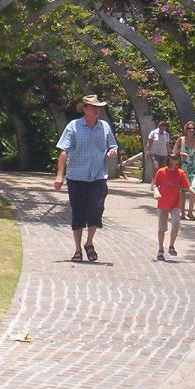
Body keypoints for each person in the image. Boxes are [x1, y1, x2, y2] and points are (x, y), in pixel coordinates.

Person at [54, 94, 119, 263]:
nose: (96, 110)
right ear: (84, 108)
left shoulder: (104, 127)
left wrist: (112, 151)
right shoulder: (73, 126)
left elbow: (113, 145)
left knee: (96, 210)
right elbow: (63, 151)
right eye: (93, 106)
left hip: (98, 176)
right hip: (77, 176)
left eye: (98, 107)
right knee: (78, 213)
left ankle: (89, 243)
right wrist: (60, 175)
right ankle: (77, 249)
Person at [153, 151, 195, 260]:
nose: (174, 167)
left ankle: (171, 246)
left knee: (176, 223)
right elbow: (155, 184)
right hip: (163, 203)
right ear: (168, 161)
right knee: (162, 228)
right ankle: (160, 250)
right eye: (171, 164)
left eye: (176, 164)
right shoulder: (161, 171)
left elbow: (187, 186)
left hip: (175, 203)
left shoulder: (180, 173)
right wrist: (156, 192)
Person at [173, 121, 195, 221]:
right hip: (182, 167)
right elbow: (174, 151)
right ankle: (182, 212)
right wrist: (180, 152)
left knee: (193, 188)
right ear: (186, 129)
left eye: (193, 128)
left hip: (192, 167)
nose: (191, 130)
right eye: (189, 128)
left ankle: (190, 212)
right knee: (182, 191)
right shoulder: (181, 140)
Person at [146, 120, 171, 186]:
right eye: (161, 126)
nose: (162, 128)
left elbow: (167, 144)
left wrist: (169, 153)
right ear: (158, 126)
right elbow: (149, 142)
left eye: (164, 126)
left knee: (162, 169)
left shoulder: (166, 134)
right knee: (156, 167)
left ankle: (161, 183)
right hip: (154, 153)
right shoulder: (153, 132)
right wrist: (148, 151)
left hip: (164, 154)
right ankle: (154, 182)